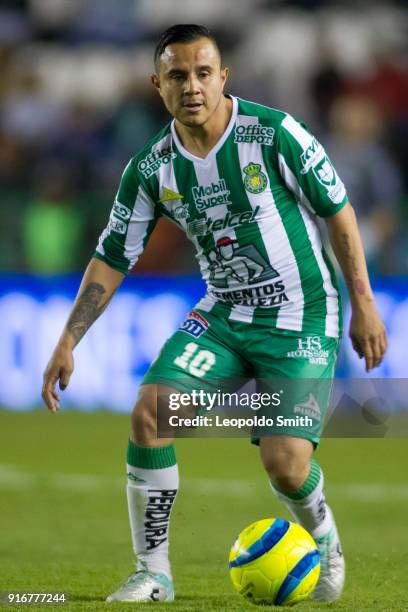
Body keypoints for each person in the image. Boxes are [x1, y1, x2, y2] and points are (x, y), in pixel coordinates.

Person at [42, 24, 387, 604]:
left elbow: (340, 212)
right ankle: (154, 574)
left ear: (223, 77)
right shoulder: (150, 169)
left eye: (204, 73)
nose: (192, 86)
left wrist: (364, 303)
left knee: (284, 464)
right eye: (178, 75)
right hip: (224, 315)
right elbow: (111, 256)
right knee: (151, 413)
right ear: (158, 85)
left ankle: (324, 539)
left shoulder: (275, 134)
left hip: (301, 316)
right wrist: (69, 338)